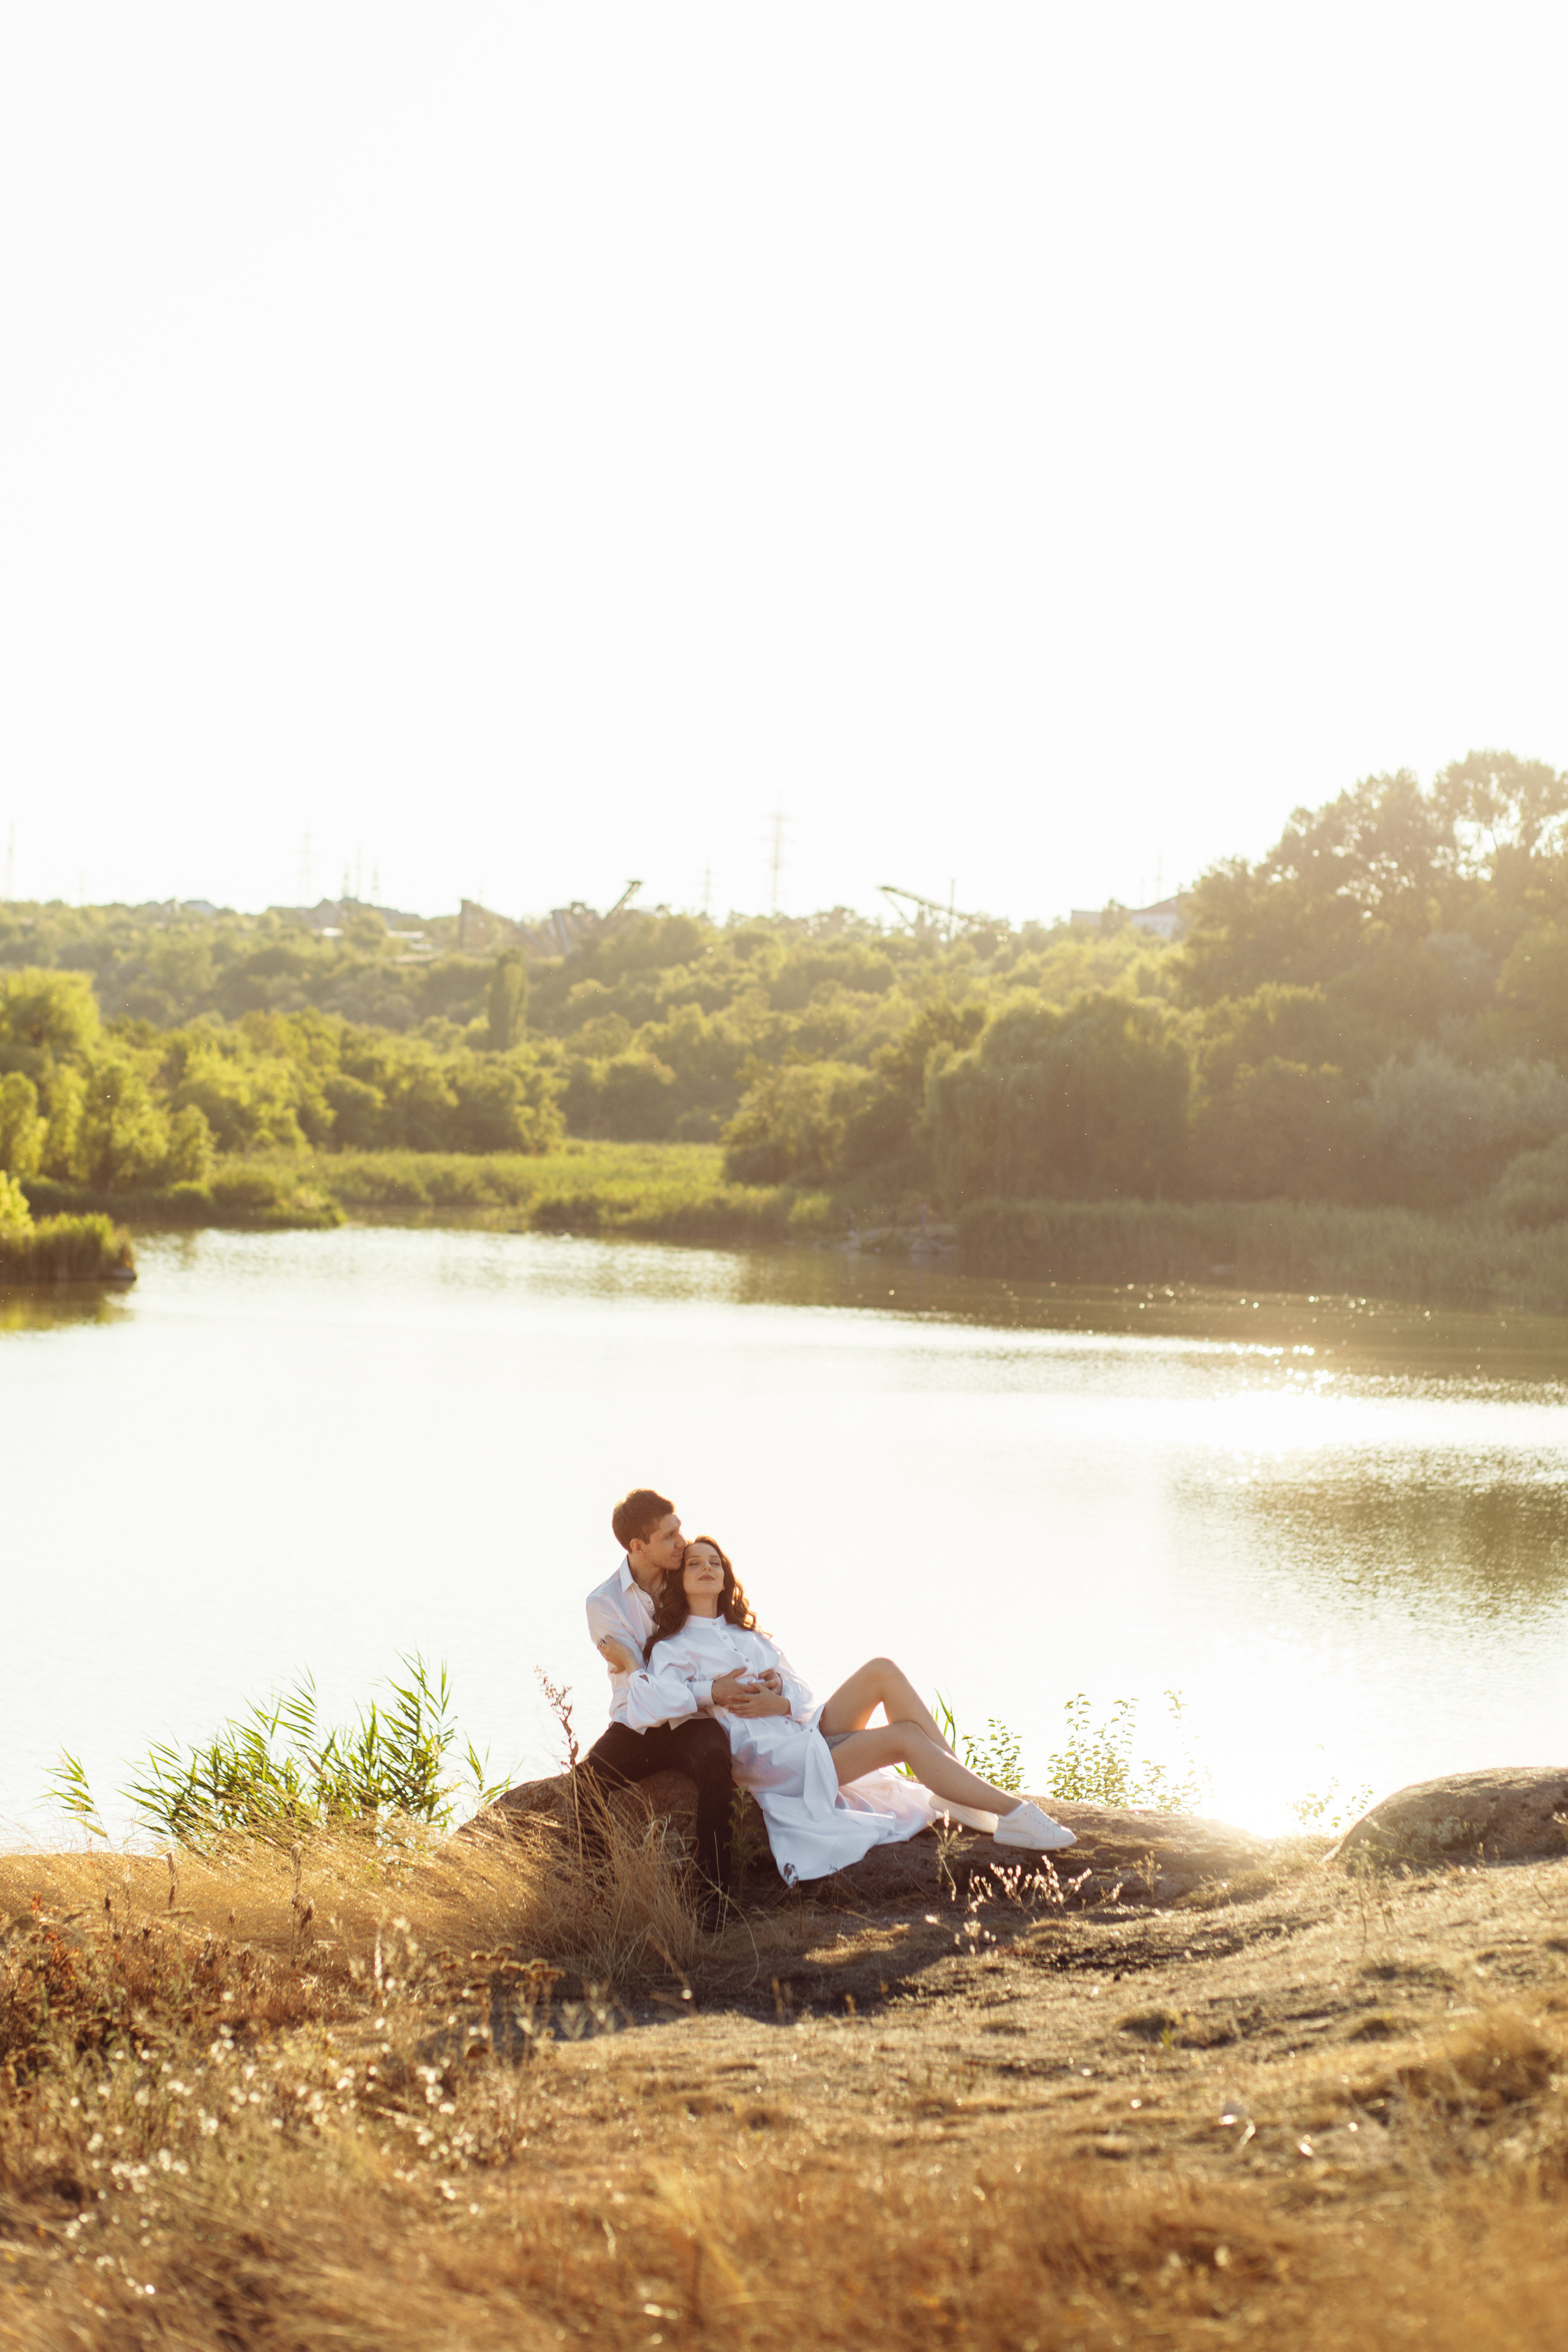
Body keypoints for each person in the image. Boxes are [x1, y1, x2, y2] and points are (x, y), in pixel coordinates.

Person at [626, 1536, 1077, 1887]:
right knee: (905, 1737)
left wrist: (780, 1697)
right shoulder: (673, 1649)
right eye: (694, 1563)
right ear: (679, 1580)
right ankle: (1011, 1811)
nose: (707, 1568)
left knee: (882, 1670)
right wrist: (712, 1692)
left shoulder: (749, 1637)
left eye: (715, 1562)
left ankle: (957, 1786)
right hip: (776, 1760)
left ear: (726, 1578)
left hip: (802, 1729)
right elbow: (651, 1704)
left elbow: (803, 1693)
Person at [580, 1489, 781, 1913]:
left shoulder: (686, 1572)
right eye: (669, 1536)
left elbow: (718, 1635)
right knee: (586, 1787)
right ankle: (601, 1895)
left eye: (679, 1530)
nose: (681, 1542)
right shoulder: (603, 1604)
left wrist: (768, 1675)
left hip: (696, 1716)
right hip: (639, 1720)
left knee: (715, 1764)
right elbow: (643, 1683)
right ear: (638, 1546)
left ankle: (713, 1901)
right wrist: (694, 1684)